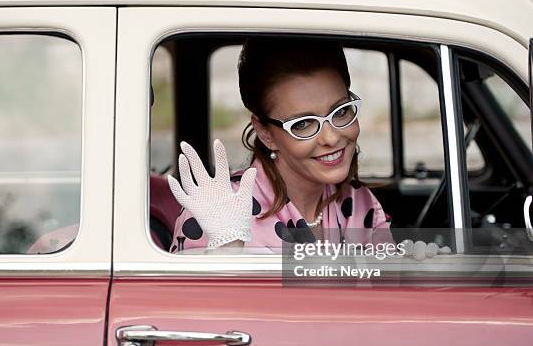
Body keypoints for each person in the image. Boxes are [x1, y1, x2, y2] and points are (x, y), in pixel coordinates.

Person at [167, 36, 442, 258]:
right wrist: (226, 256)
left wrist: (413, 270)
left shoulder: (359, 203)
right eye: (302, 124)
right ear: (265, 133)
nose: (331, 138)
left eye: (341, 112)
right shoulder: (217, 210)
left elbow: (382, 306)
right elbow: (189, 315)